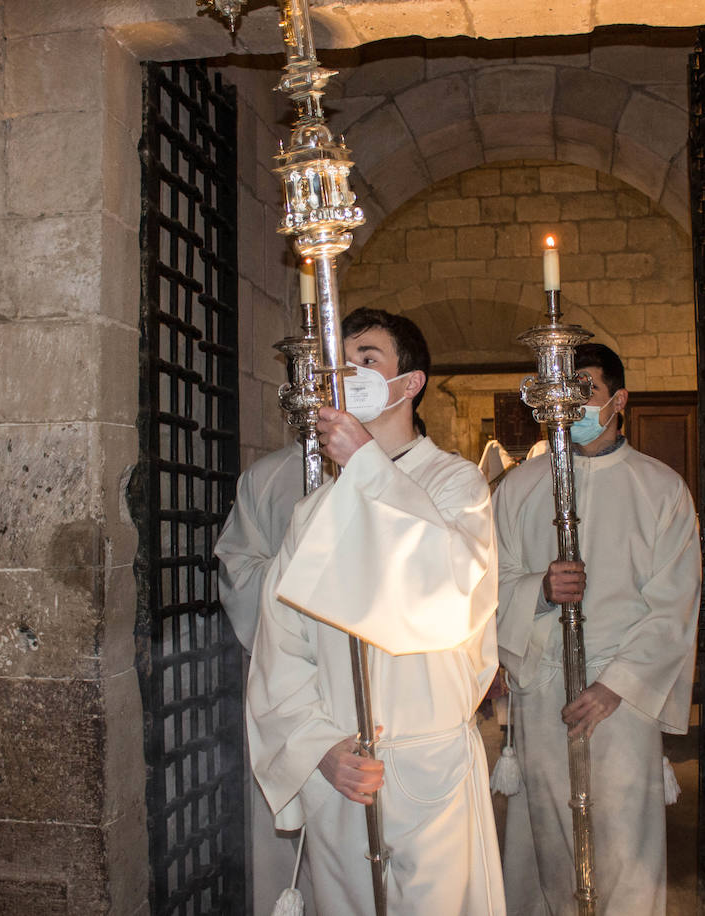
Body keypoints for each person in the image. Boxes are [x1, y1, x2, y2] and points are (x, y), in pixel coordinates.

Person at [246, 308, 506, 915]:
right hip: (344, 775)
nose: (349, 374)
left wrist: (366, 465)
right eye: (344, 363)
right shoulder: (313, 514)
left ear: (409, 383)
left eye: (368, 360)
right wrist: (319, 747)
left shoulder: (457, 486)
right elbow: (281, 648)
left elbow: (444, 594)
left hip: (429, 774)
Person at [492, 343, 700, 916]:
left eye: (585, 390)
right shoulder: (518, 489)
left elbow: (675, 602)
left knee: (624, 844)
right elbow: (490, 579)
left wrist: (615, 686)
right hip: (543, 687)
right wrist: (537, 589)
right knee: (548, 835)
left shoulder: (661, 491)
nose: (572, 404)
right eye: (563, 391)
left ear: (619, 400)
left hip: (622, 697)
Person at [214, 438, 319, 913]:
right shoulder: (267, 476)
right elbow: (238, 569)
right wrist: (293, 580)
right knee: (288, 852)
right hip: (284, 685)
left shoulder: (391, 470)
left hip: (365, 695)